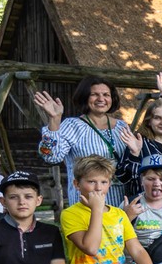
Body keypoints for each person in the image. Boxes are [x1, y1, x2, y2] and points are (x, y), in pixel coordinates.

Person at [34, 76, 131, 207]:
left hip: (120, 202)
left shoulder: (122, 127)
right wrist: (54, 119)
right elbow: (51, 156)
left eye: (106, 95)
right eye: (94, 95)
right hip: (86, 203)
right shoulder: (73, 126)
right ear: (85, 97)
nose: (101, 99)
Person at [116, 99, 162, 201]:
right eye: (157, 118)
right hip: (143, 211)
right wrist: (134, 154)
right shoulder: (138, 144)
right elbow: (122, 178)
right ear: (149, 121)